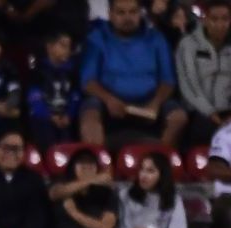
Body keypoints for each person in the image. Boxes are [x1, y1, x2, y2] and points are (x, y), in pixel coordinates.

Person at [79, 0, 187, 148]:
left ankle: (158, 162)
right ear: (110, 14)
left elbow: (168, 81)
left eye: (133, 12)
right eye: (121, 12)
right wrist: (109, 100)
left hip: (150, 103)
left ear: (140, 13)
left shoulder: (156, 38)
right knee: (89, 116)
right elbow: (88, 81)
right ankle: (100, 166)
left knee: (178, 117)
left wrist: (155, 104)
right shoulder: (97, 38)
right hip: (109, 103)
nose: (127, 18)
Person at [175, 0, 231, 144]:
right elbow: (189, 86)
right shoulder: (188, 45)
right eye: (214, 19)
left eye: (225, 19)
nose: (220, 25)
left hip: (227, 109)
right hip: (197, 111)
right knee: (207, 130)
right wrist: (211, 113)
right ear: (204, 19)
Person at [26, 30, 82, 151]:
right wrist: (50, 116)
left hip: (65, 118)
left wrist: (69, 115)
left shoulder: (72, 72)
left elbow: (75, 97)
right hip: (44, 118)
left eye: (68, 46)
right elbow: (35, 100)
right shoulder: (38, 71)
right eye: (63, 45)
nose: (67, 50)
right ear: (50, 47)